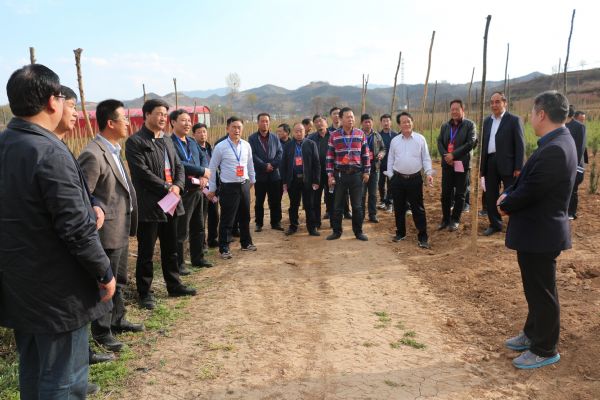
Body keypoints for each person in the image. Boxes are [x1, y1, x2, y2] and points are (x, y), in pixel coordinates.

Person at [0, 64, 115, 399]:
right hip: (58, 291)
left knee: (34, 370)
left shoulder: (6, 143)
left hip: (19, 282)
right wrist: (103, 271)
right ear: (53, 101)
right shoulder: (49, 151)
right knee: (64, 379)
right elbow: (76, 228)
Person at [499, 91, 577, 369]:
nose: (530, 117)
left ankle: (545, 348)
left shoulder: (556, 148)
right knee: (535, 288)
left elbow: (533, 190)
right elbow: (528, 180)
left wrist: (506, 203)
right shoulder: (556, 141)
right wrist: (509, 193)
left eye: (532, 113)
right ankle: (532, 333)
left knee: (542, 292)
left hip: (541, 232)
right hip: (537, 231)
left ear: (541, 114)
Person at [78, 99, 145, 354]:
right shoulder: (92, 154)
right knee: (105, 283)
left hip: (121, 227)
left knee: (119, 279)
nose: (128, 123)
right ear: (110, 123)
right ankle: (102, 332)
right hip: (106, 232)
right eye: (124, 119)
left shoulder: (114, 150)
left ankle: (118, 319)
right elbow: (84, 195)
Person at [125, 99, 197, 310]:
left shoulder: (166, 139)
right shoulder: (135, 142)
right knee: (146, 252)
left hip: (171, 202)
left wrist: (178, 186)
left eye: (165, 114)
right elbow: (142, 173)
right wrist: (167, 187)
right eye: (159, 114)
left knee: (171, 247)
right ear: (147, 115)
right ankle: (145, 293)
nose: (163, 118)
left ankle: (174, 285)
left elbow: (179, 167)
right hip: (150, 205)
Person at [207, 116, 257, 259]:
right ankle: (224, 248)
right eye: (234, 127)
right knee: (227, 218)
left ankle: (246, 243)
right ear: (227, 128)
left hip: (244, 184)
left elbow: (250, 164)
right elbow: (212, 168)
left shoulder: (246, 145)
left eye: (239, 127)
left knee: (245, 216)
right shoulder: (220, 147)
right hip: (228, 187)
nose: (237, 130)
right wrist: (212, 188)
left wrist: (252, 179)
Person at [170, 110, 213, 274]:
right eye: (183, 120)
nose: (187, 123)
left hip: (198, 190)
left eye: (189, 120)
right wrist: (201, 170)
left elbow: (203, 158)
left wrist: (204, 175)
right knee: (181, 229)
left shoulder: (192, 142)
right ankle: (179, 263)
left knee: (198, 226)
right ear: (173, 122)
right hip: (183, 191)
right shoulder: (170, 143)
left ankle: (198, 258)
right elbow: (179, 163)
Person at [480, 91, 525, 236]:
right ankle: (495, 224)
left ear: (505, 103)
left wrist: (518, 167)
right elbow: (484, 145)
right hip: (490, 162)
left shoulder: (514, 120)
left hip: (509, 164)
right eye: (492, 102)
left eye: (497, 102)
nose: (494, 105)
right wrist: (482, 168)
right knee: (490, 195)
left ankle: (515, 224)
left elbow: (520, 144)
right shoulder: (487, 121)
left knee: (512, 194)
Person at [386, 112, 433, 249]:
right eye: (403, 122)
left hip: (415, 179)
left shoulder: (420, 139)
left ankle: (423, 236)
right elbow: (390, 159)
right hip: (398, 179)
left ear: (412, 122)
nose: (406, 124)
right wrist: (390, 176)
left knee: (418, 208)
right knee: (399, 207)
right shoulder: (395, 141)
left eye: (408, 121)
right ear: (399, 125)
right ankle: (400, 233)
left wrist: (428, 173)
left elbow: (426, 158)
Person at [326, 107, 370, 241]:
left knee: (357, 206)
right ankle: (336, 231)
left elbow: (365, 154)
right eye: (347, 117)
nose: (350, 119)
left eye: (352, 117)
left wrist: (367, 171)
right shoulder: (334, 135)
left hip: (356, 175)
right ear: (341, 119)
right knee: (337, 206)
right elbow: (329, 157)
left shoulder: (360, 134)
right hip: (340, 175)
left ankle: (358, 232)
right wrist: (330, 175)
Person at [436, 99, 477, 231]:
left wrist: (453, 155)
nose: (454, 111)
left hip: (462, 164)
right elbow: (439, 142)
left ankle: (455, 220)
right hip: (447, 164)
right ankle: (445, 219)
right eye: (452, 109)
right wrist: (446, 156)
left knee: (460, 193)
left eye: (457, 109)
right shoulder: (445, 126)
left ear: (462, 110)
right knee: (445, 193)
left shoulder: (470, 125)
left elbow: (471, 143)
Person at [281, 123, 320, 236]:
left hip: (307, 180)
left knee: (309, 205)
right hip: (293, 180)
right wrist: (284, 181)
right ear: (293, 132)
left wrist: (316, 180)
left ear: (304, 131)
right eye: (296, 131)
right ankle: (293, 226)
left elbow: (316, 164)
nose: (299, 133)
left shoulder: (311, 144)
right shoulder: (288, 145)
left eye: (301, 131)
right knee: (294, 205)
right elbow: (283, 165)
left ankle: (311, 228)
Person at [248, 113, 284, 232]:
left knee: (275, 200)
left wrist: (272, 165)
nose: (265, 123)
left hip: (274, 174)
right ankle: (259, 223)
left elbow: (280, 153)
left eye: (267, 121)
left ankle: (276, 222)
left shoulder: (275, 137)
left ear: (269, 122)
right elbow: (252, 155)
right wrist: (264, 166)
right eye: (262, 121)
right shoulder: (252, 138)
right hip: (260, 174)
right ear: (258, 122)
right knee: (259, 201)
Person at [193, 123, 219, 248]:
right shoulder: (193, 150)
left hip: (213, 188)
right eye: (199, 132)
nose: (202, 134)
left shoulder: (211, 148)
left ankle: (212, 239)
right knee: (201, 217)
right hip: (201, 188)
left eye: (204, 131)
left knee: (214, 215)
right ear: (194, 135)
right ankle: (201, 243)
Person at [360, 114, 385, 223]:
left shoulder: (377, 136)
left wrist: (381, 154)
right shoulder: (358, 135)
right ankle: (360, 215)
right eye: (365, 122)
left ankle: (372, 215)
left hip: (374, 168)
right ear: (362, 123)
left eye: (369, 122)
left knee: (373, 194)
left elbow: (383, 148)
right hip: (361, 170)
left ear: (372, 123)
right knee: (361, 194)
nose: (368, 124)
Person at [307, 114, 332, 226]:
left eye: (321, 121)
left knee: (332, 197)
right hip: (316, 174)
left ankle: (334, 221)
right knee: (315, 199)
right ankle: (317, 222)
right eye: (316, 121)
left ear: (326, 122)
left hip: (331, 173)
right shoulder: (310, 139)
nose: (319, 123)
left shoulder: (333, 136)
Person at [565, 106, 586, 220]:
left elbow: (580, 147)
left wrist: (573, 163)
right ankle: (565, 211)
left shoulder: (579, 127)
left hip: (576, 163)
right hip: (565, 162)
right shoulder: (562, 125)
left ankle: (571, 212)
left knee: (573, 188)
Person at [377, 113, 397, 212]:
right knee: (380, 183)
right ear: (381, 122)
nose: (386, 123)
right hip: (380, 164)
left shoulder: (395, 135)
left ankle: (390, 203)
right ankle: (383, 201)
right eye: (384, 121)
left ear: (391, 122)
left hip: (392, 164)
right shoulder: (377, 135)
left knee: (390, 184)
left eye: (388, 121)